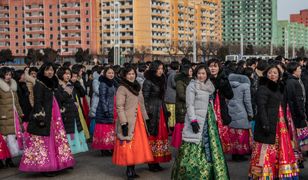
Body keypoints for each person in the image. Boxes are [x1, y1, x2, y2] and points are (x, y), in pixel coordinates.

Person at [171, 64, 229, 179]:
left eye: (203, 73)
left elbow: (211, 103)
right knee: (193, 145)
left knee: (211, 146)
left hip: (209, 119)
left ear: (207, 74)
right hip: (197, 118)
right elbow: (189, 104)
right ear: (195, 74)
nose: (201, 76)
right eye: (199, 73)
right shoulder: (192, 86)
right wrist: (193, 120)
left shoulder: (209, 85)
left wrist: (215, 118)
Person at [19, 62, 75, 176]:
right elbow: (37, 101)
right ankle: (46, 167)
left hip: (55, 113)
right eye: (47, 70)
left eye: (52, 70)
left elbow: (59, 97)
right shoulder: (39, 84)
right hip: (46, 115)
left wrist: (68, 89)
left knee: (57, 139)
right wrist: (40, 116)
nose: (50, 72)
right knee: (45, 141)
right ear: (43, 71)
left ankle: (59, 163)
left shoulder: (53, 83)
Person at [249, 65, 299, 179]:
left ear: (279, 75)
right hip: (267, 123)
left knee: (279, 150)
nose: (272, 75)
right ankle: (264, 175)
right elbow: (261, 108)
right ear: (266, 74)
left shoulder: (279, 88)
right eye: (270, 72)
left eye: (275, 73)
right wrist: (265, 124)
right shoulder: (263, 88)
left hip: (279, 124)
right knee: (266, 151)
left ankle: (277, 173)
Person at [112, 65, 153, 179]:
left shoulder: (137, 87)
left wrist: (146, 119)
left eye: (133, 74)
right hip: (129, 120)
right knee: (128, 144)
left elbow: (142, 104)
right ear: (124, 75)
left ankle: (133, 169)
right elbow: (119, 107)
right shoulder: (122, 88)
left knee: (137, 146)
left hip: (139, 120)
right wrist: (124, 123)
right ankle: (129, 170)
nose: (131, 76)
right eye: (129, 74)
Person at [143, 60, 172, 171]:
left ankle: (157, 161)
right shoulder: (148, 81)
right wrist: (147, 113)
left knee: (161, 135)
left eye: (162, 68)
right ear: (154, 69)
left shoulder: (162, 79)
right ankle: (151, 162)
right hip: (152, 110)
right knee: (153, 136)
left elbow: (161, 97)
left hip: (160, 108)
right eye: (158, 69)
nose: (161, 71)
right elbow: (145, 99)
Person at [55, 67, 88, 154]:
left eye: (69, 74)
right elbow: (61, 98)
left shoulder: (70, 85)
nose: (68, 76)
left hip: (72, 111)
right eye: (66, 74)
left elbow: (72, 97)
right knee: (67, 132)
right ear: (61, 74)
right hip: (65, 113)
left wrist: (74, 102)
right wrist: (68, 91)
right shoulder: (58, 86)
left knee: (74, 131)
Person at [284, 62, 308, 168]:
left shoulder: (289, 81)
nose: (300, 71)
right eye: (299, 69)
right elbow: (297, 102)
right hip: (295, 116)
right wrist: (302, 115)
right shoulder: (294, 83)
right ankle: (296, 162)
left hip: (290, 115)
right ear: (294, 70)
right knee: (296, 140)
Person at [227, 68, 253, 161]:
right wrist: (250, 113)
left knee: (233, 134)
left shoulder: (228, 84)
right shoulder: (245, 86)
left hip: (231, 111)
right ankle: (241, 154)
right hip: (242, 111)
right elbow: (247, 101)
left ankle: (234, 154)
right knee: (242, 135)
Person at [208, 59, 234, 153]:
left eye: (215, 66)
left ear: (219, 68)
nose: (213, 68)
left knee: (220, 133)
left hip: (221, 109)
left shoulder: (224, 79)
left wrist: (224, 85)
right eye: (211, 66)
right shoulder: (205, 79)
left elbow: (230, 95)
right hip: (208, 109)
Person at [0, 67, 23, 167]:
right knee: (4, 139)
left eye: (10, 74)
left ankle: (9, 159)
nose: (8, 77)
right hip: (3, 116)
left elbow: (17, 102)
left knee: (12, 138)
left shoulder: (13, 86)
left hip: (13, 116)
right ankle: (1, 160)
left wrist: (20, 112)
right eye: (6, 75)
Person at [92, 66, 116, 156]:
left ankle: (109, 147)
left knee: (110, 129)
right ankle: (104, 148)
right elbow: (102, 97)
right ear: (105, 74)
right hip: (103, 108)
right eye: (109, 73)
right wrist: (106, 110)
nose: (111, 74)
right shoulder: (103, 83)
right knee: (105, 129)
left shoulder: (112, 83)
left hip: (111, 107)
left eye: (112, 73)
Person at [171, 64, 193, 149]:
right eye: (190, 71)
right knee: (182, 128)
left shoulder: (191, 80)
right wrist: (192, 99)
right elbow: (181, 95)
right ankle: (182, 146)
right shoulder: (180, 81)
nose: (192, 72)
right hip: (182, 108)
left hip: (188, 107)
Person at [71, 71, 90, 140]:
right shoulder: (69, 85)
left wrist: (78, 85)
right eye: (72, 77)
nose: (74, 78)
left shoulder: (77, 84)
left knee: (81, 119)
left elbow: (83, 93)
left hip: (78, 103)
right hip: (73, 105)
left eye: (75, 77)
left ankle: (84, 135)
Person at [164, 61, 179, 131]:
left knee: (170, 113)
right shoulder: (173, 74)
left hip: (168, 96)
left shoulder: (169, 73)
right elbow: (174, 84)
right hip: (172, 97)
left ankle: (170, 127)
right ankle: (171, 129)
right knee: (172, 114)